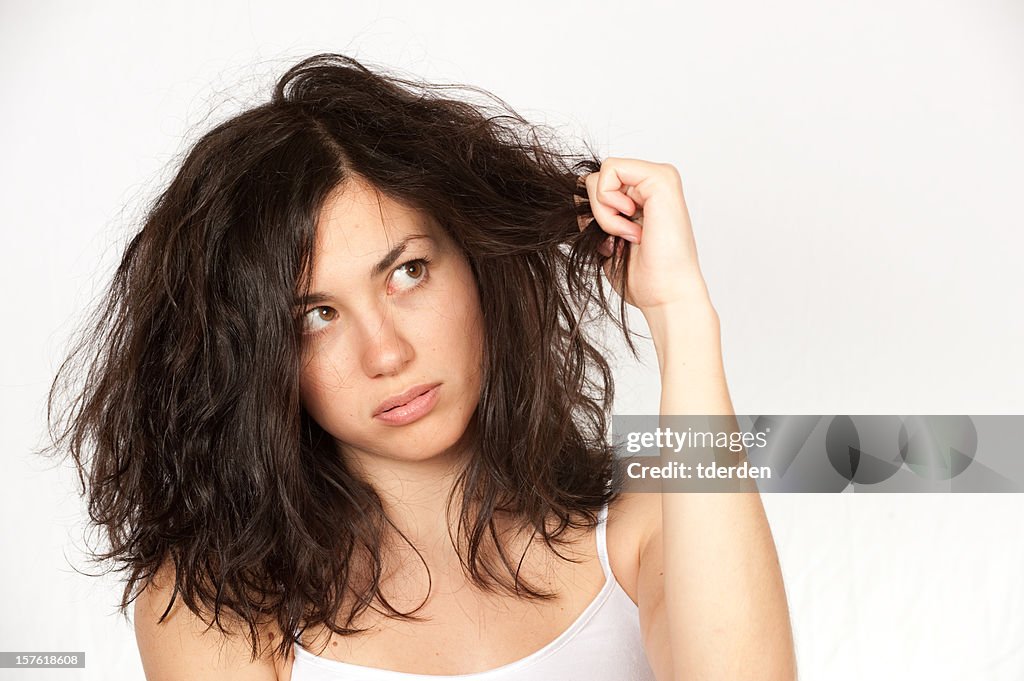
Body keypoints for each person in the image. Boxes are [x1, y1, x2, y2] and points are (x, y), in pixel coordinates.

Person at [43, 53, 797, 680]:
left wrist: (680, 312)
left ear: (474, 260)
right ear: (255, 360)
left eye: (407, 272)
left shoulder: (644, 523)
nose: (387, 353)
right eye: (316, 315)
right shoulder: (220, 604)